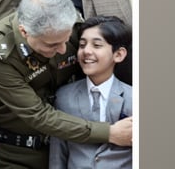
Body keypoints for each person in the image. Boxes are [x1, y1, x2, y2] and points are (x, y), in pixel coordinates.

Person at [0, 0, 132, 168]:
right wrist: (109, 133)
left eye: (67, 40)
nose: (64, 49)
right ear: (25, 33)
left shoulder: (71, 24)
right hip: (19, 153)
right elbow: (39, 115)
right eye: (53, 45)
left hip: (71, 147)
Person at [49, 16, 132, 169]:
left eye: (97, 45)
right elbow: (57, 155)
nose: (86, 51)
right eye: (82, 45)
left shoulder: (134, 99)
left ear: (118, 54)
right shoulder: (64, 97)